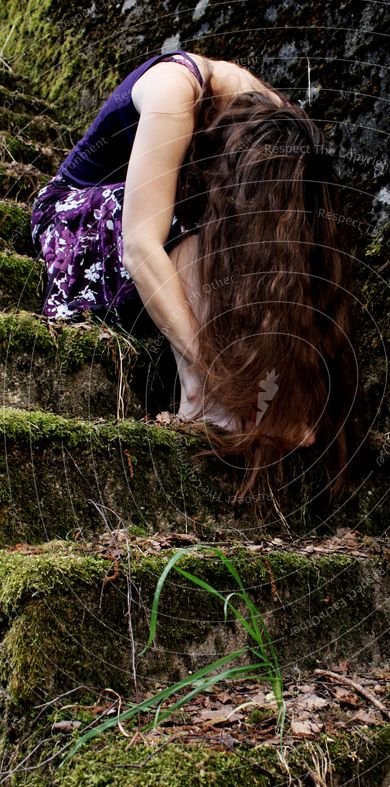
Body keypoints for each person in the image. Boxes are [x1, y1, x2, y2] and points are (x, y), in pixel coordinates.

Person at [30, 50, 358, 503]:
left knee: (255, 241)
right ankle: (201, 390)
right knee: (196, 215)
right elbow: (140, 245)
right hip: (78, 218)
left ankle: (258, 392)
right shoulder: (173, 90)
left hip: (164, 228)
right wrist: (221, 375)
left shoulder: (278, 124)